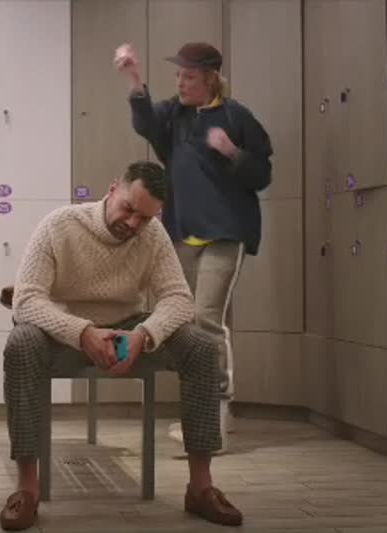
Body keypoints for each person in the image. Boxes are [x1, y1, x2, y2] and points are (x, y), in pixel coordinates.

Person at [0, 161, 243, 531]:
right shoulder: (59, 225)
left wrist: (142, 336)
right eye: (128, 208)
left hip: (129, 331)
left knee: (202, 347)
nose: (132, 223)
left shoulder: (153, 236)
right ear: (113, 189)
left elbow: (179, 299)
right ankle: (27, 489)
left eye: (144, 218)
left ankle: (200, 487)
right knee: (21, 343)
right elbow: (27, 300)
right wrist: (83, 332)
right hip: (66, 333)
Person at [115, 41, 274, 452]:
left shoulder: (237, 117)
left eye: (188, 76)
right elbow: (146, 123)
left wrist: (232, 152)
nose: (180, 83)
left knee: (206, 320)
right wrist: (134, 77)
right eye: (178, 76)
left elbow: (262, 174)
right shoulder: (175, 116)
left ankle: (213, 418)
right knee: (185, 322)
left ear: (209, 79)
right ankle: (204, 410)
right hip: (183, 233)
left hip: (226, 232)